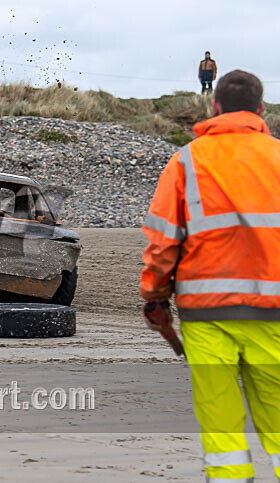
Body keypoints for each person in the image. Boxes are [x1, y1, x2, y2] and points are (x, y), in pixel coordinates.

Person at [141, 70, 279, 481]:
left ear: (214, 108)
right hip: (275, 315)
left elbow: (163, 242)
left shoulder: (187, 161)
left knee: (221, 427)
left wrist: (154, 296)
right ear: (260, 110)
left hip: (207, 316)